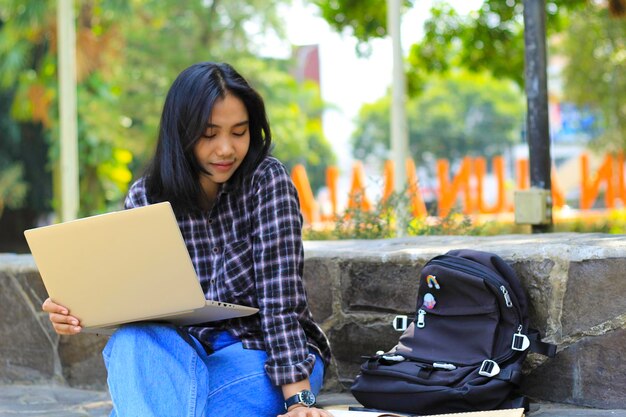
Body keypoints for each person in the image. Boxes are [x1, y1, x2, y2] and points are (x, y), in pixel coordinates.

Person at [42, 61, 333, 417]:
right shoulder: (145, 197)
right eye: (209, 134)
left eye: (239, 132)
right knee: (131, 341)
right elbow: (136, 307)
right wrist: (77, 311)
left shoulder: (267, 182)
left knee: (160, 407)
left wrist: (298, 401)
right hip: (186, 350)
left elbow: (280, 300)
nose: (226, 149)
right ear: (181, 133)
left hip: (265, 353)